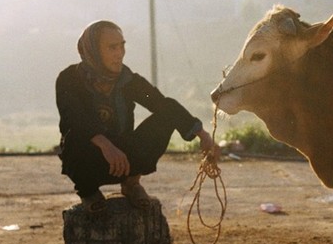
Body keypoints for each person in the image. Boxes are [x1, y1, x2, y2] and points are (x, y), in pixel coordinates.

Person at [56, 20, 220, 213]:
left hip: (123, 160)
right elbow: (74, 118)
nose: (120, 53)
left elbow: (162, 104)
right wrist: (105, 145)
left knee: (165, 116)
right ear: (93, 51)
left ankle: (131, 183)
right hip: (88, 159)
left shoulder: (128, 80)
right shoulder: (69, 79)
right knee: (75, 137)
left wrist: (203, 135)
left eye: (122, 46)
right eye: (112, 48)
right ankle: (88, 191)